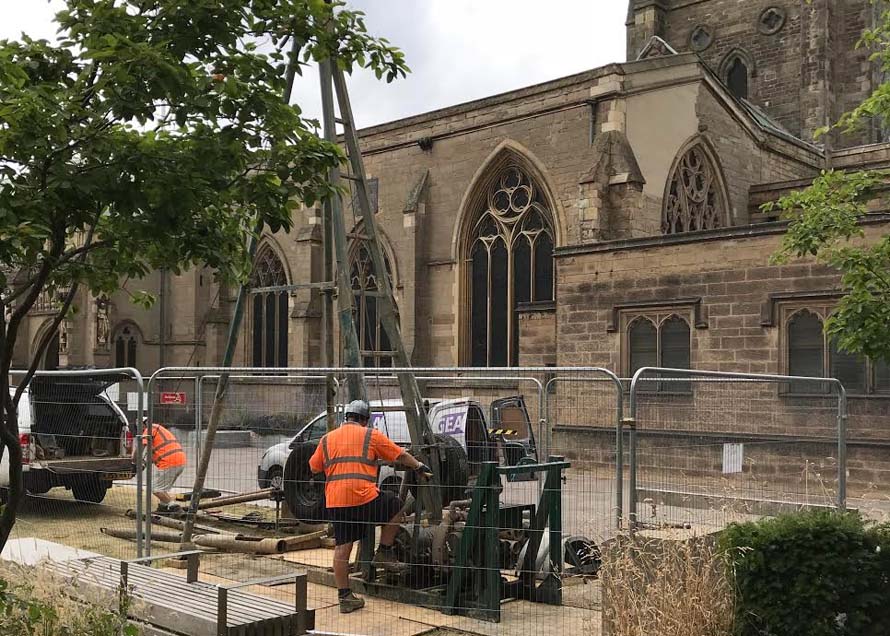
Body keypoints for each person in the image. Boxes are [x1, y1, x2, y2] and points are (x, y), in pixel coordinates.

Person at [309, 399, 433, 614]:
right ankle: (384, 551)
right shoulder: (370, 435)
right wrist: (418, 465)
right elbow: (399, 455)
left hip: (336, 500)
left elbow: (313, 467)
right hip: (364, 497)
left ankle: (345, 597)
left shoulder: (327, 439)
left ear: (346, 417)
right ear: (366, 420)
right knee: (395, 505)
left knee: (343, 547)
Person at [136, 417, 187, 514]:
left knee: (156, 489)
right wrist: (144, 463)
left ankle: (175, 508)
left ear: (143, 424)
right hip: (178, 461)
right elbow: (153, 455)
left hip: (169, 462)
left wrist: (134, 461)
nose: (141, 431)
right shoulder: (158, 429)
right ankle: (163, 508)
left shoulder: (149, 430)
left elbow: (140, 449)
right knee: (161, 488)